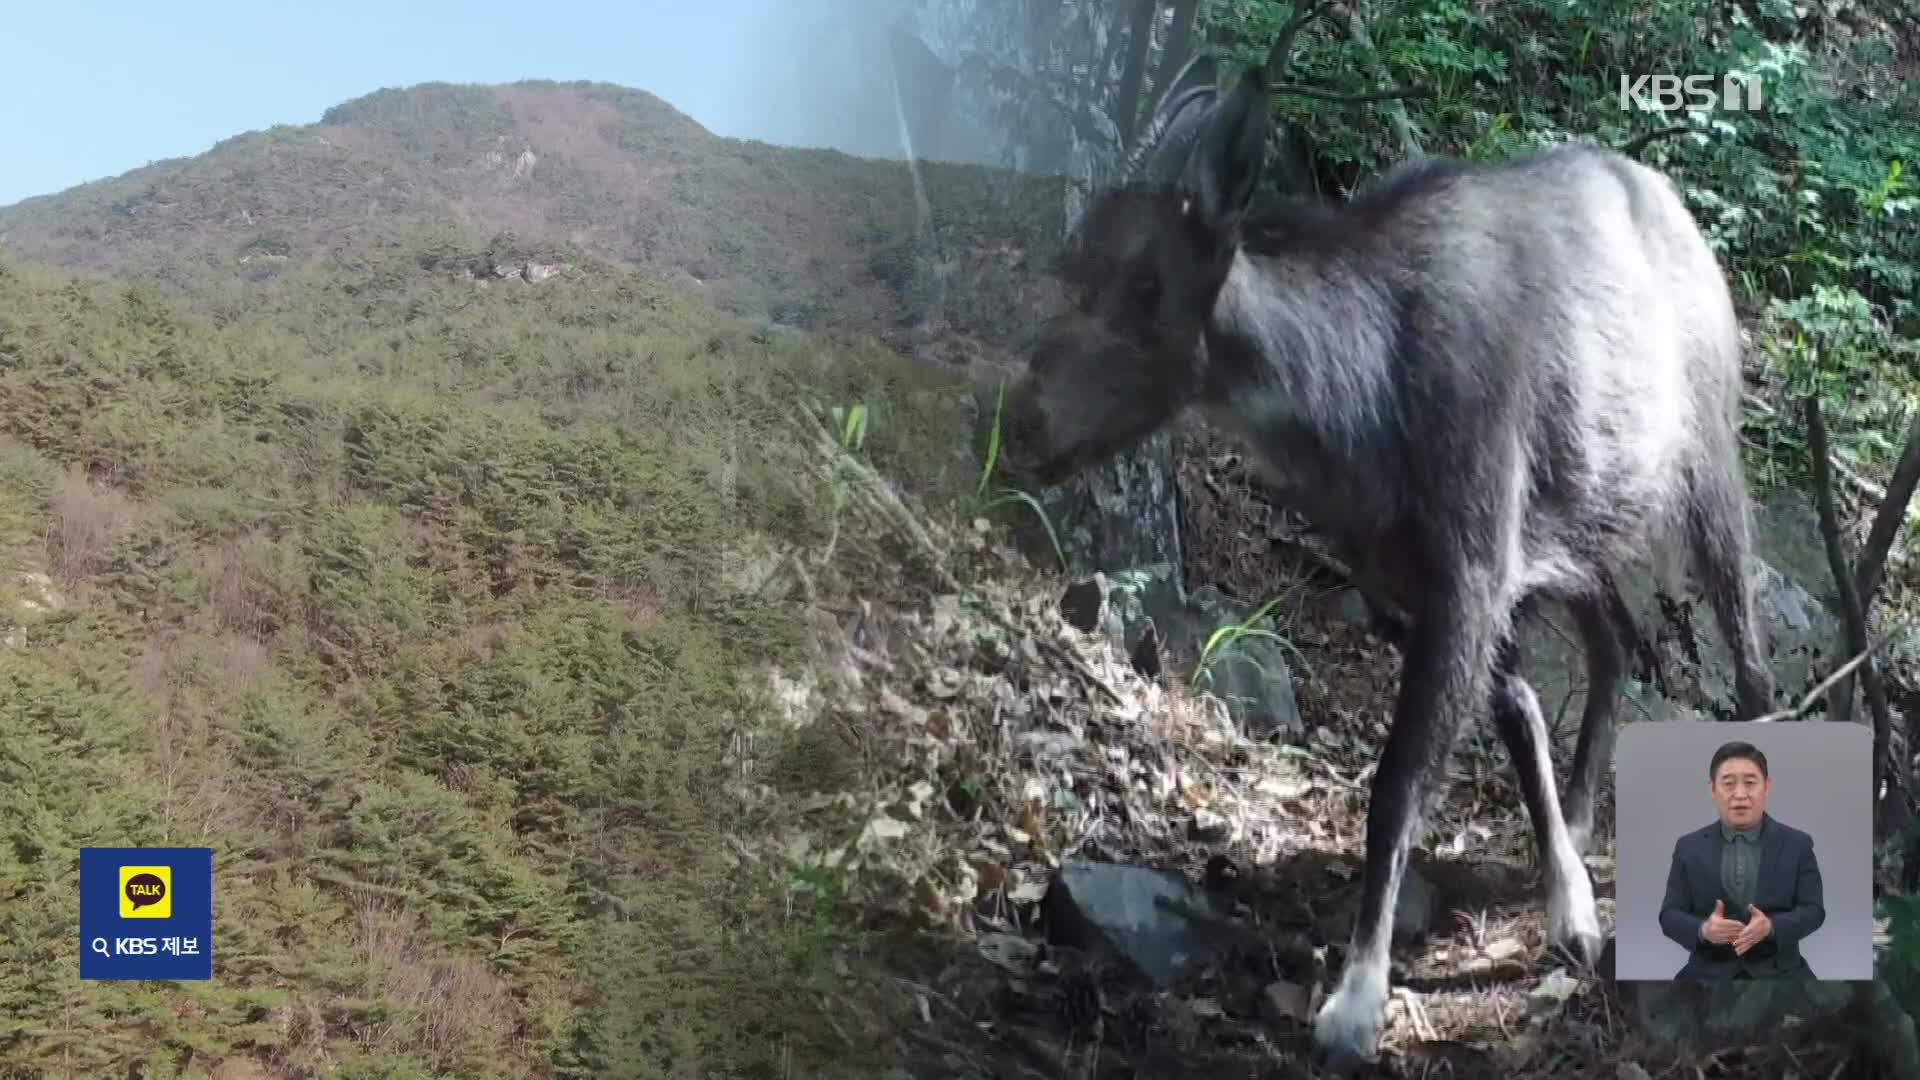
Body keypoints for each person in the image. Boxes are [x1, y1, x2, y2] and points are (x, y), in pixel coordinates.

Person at [1658, 740, 1825, 979]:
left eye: (1750, 783)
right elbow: (1670, 915)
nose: (1739, 794)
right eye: (1728, 784)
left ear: (1766, 787)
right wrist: (1704, 930)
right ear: (1712, 789)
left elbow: (1814, 910)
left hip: (1782, 972)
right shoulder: (1688, 847)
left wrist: (1772, 927)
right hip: (1707, 973)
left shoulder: (1797, 844)